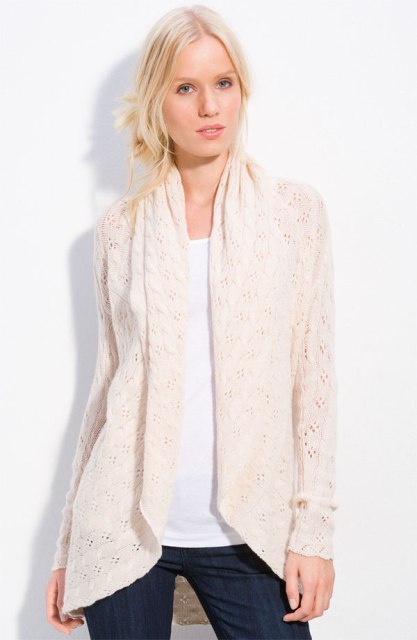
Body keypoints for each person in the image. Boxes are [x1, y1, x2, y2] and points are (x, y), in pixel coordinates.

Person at [45, 4, 338, 639]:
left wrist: (313, 533)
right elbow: (107, 388)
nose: (210, 106)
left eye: (223, 83)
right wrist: (69, 547)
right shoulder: (120, 231)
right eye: (185, 87)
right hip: (124, 529)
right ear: (157, 100)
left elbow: (313, 382)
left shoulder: (294, 214)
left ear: (241, 90)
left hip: (248, 532)